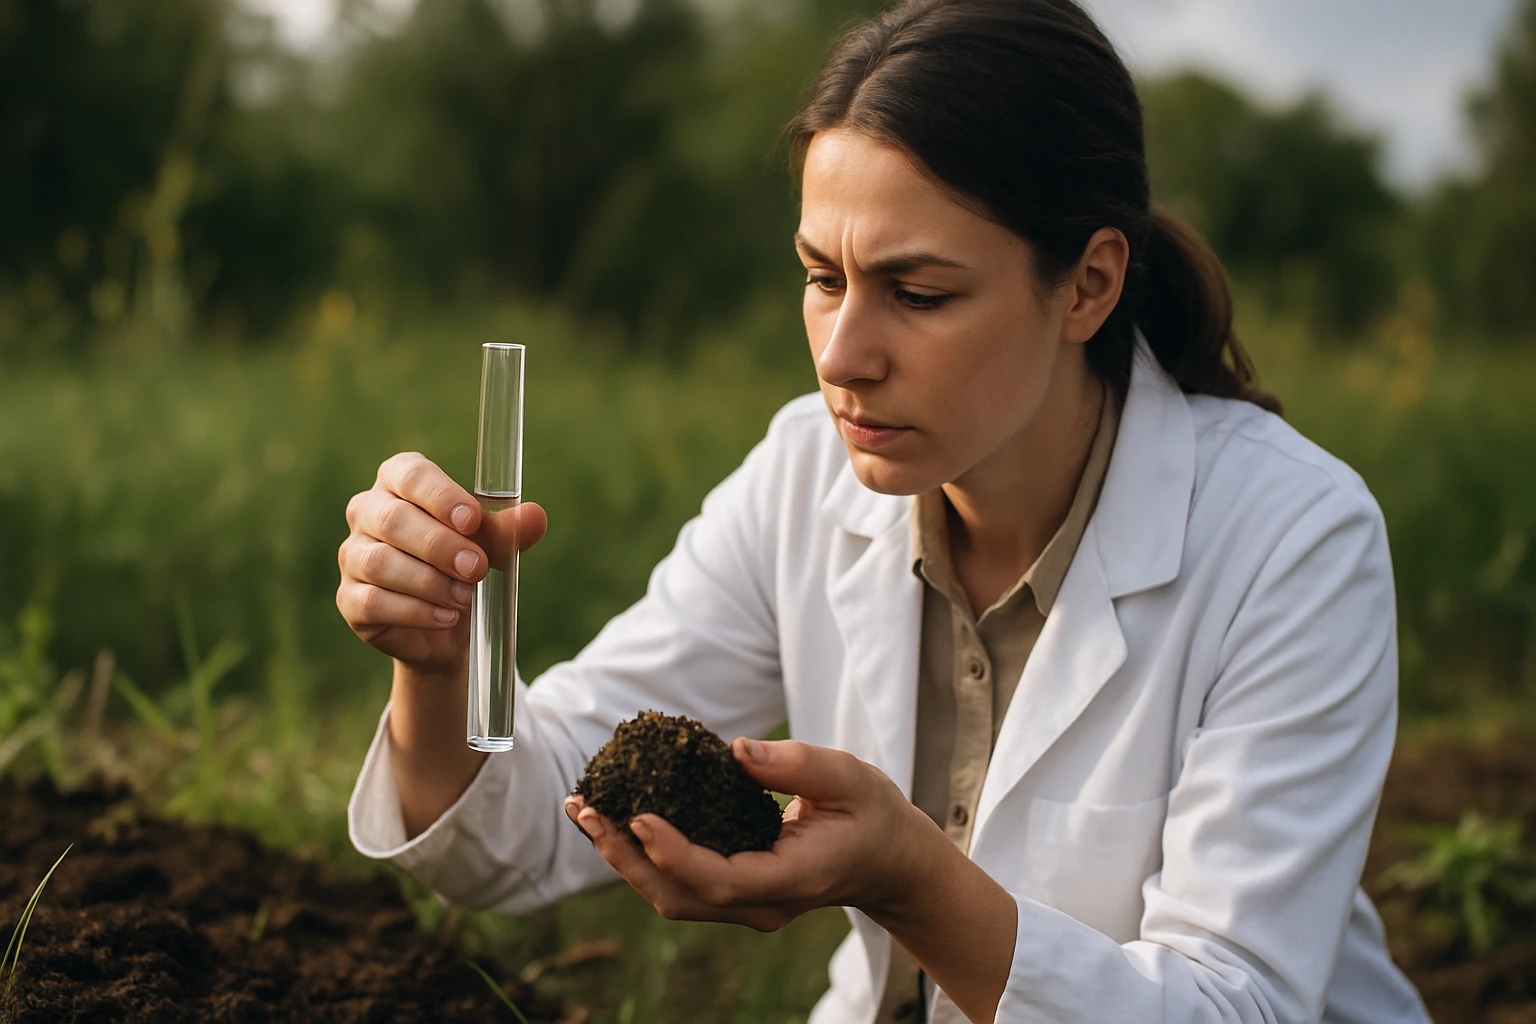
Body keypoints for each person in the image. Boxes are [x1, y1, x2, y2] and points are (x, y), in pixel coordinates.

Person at [337, 1, 1432, 1021]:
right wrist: (437, 666)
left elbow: (1233, 1003)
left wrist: (910, 880)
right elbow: (523, 830)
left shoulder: (1294, 537)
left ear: (1090, 285)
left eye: (920, 294)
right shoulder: (802, 476)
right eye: (823, 277)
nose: (843, 357)